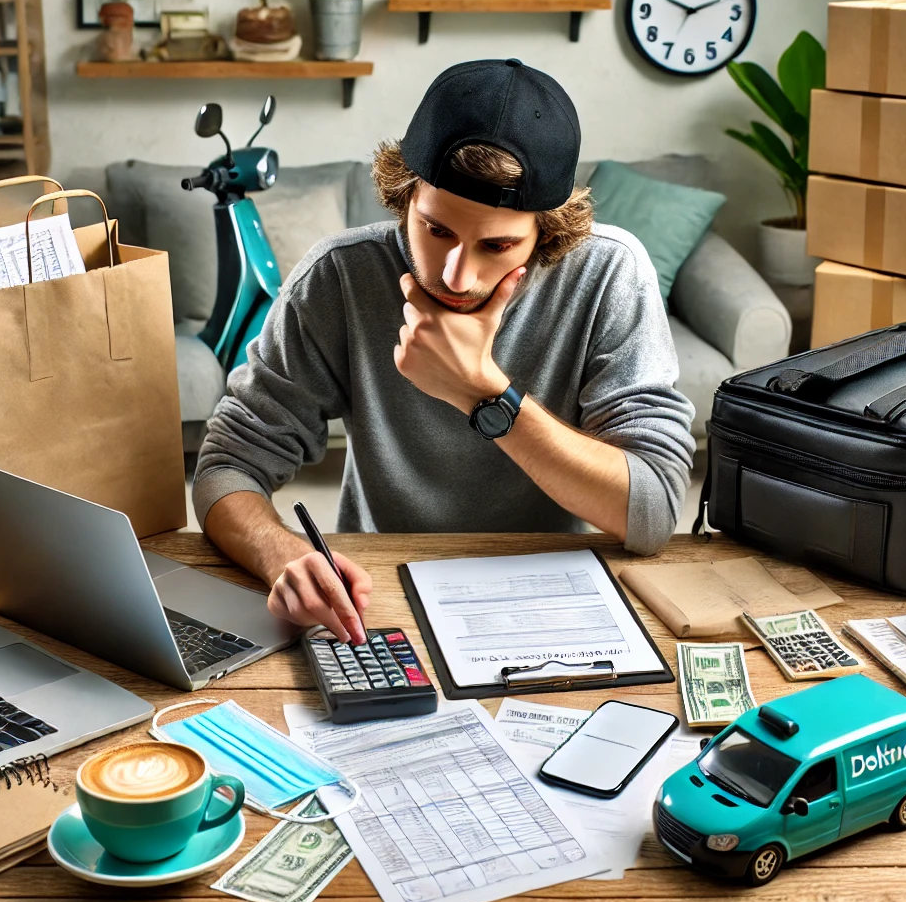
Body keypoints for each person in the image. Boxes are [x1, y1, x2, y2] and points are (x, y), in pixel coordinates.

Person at [194, 58, 695, 646]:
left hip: (555, 592)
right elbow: (225, 467)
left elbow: (655, 510)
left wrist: (483, 392)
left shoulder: (609, 273)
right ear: (404, 197)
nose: (457, 275)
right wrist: (282, 556)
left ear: (547, 232)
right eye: (436, 231)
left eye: (498, 244)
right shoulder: (338, 277)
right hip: (373, 597)